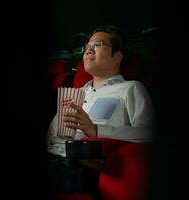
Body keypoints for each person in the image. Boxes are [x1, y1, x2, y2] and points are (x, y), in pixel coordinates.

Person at [46, 25, 155, 197]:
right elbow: (50, 137)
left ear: (117, 56)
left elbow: (149, 133)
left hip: (87, 167)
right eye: (87, 46)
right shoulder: (74, 94)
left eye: (98, 44)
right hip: (54, 159)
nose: (89, 49)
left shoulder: (130, 88)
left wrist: (95, 130)